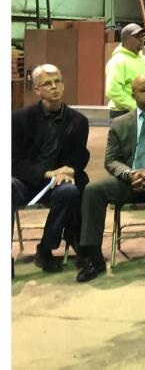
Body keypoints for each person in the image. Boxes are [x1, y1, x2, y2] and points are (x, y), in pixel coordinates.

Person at [76, 75, 145, 282]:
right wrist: (131, 174)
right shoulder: (119, 124)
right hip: (130, 180)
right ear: (133, 94)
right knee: (93, 190)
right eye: (144, 89)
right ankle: (93, 257)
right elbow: (111, 160)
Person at [12, 64, 90, 273]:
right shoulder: (18, 120)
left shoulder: (78, 121)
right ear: (37, 90)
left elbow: (80, 154)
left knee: (70, 191)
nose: (54, 87)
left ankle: (45, 249)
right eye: (47, 83)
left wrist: (70, 170)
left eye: (58, 82)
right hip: (26, 181)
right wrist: (46, 173)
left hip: (57, 183)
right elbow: (14, 161)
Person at [106, 23, 145, 119]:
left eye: (142, 36)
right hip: (123, 113)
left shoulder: (143, 59)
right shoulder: (118, 61)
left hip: (142, 111)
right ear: (126, 40)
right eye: (136, 36)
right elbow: (113, 91)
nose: (141, 39)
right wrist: (134, 106)